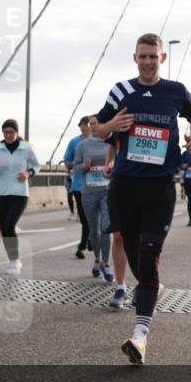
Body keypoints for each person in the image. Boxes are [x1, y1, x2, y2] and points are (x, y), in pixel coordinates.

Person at [97, 33, 191, 365]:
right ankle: (149, 289)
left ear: (162, 59)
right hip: (125, 186)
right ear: (134, 58)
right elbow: (98, 128)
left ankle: (140, 336)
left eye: (153, 57)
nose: (147, 62)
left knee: (149, 255)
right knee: (133, 255)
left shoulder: (176, 91)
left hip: (160, 188)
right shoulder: (120, 90)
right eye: (142, 57)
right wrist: (113, 124)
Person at [0, 119, 40, 275]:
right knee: (5, 229)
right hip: (3, 193)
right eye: (6, 132)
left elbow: (36, 165)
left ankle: (15, 261)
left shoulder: (26, 148)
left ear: (17, 132)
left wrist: (28, 173)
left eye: (11, 132)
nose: (8, 135)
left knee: (9, 225)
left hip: (20, 193)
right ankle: (12, 260)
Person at [72, 115, 114, 281]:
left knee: (106, 227)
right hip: (89, 193)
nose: (93, 127)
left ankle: (106, 262)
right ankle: (97, 258)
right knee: (94, 231)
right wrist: (85, 166)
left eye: (96, 123)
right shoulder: (83, 145)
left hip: (107, 190)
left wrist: (110, 168)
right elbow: (76, 168)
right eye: (91, 124)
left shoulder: (110, 143)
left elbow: (117, 163)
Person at [63, 116, 92, 258]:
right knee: (84, 218)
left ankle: (84, 244)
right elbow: (67, 161)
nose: (83, 127)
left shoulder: (100, 141)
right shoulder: (74, 142)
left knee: (93, 217)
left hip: (96, 185)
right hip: (78, 185)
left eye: (86, 124)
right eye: (81, 125)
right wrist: (76, 165)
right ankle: (86, 243)